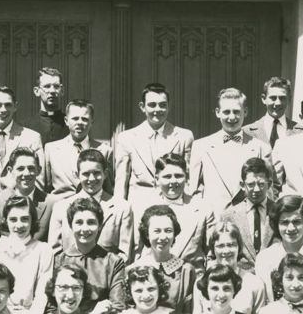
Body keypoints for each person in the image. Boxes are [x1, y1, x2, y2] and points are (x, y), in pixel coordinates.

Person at [114, 83, 194, 216]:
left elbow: (189, 178)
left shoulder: (184, 136)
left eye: (162, 105)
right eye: (152, 105)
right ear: (142, 107)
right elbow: (121, 180)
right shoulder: (127, 138)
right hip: (138, 210)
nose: (157, 109)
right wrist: (119, 210)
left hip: (174, 209)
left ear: (169, 106)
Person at [187, 87, 273, 210]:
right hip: (213, 220)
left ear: (245, 112)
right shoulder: (201, 146)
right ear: (218, 112)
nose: (232, 117)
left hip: (248, 219)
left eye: (237, 111)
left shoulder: (261, 148)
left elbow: (268, 193)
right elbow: (194, 190)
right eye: (226, 112)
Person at [47, 149, 134, 260]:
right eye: (86, 174)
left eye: (97, 173)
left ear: (105, 174)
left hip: (107, 274)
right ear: (77, 175)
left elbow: (124, 254)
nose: (91, 179)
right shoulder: (61, 207)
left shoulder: (122, 208)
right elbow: (54, 253)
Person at [52, 196, 127, 314]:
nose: (85, 229)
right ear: (71, 226)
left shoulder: (113, 262)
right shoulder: (59, 261)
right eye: (79, 222)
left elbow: (118, 306)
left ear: (100, 226)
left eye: (91, 222)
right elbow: (51, 306)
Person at [138, 153, 213, 270]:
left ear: (187, 178)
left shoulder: (203, 208)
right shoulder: (144, 206)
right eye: (167, 177)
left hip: (192, 280)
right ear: (157, 179)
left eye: (178, 176)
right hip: (153, 278)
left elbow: (211, 253)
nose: (173, 181)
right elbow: (138, 250)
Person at [0, 195, 55, 314]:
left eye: (24, 219)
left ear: (32, 221)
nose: (19, 225)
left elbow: (42, 294)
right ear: (6, 221)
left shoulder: (43, 250)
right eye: (13, 220)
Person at [134, 205, 198, 314]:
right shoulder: (133, 270)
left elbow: (188, 313)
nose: (163, 237)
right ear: (147, 234)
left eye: (168, 231)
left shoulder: (186, 271)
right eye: (157, 231)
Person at [41, 99, 113, 197]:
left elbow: (109, 189)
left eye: (85, 119)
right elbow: (46, 188)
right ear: (66, 121)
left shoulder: (105, 151)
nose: (80, 122)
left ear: (92, 122)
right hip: (61, 208)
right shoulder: (51, 149)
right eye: (75, 118)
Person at [195, 220, 268, 314]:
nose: (226, 250)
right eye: (220, 246)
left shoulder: (254, 284)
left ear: (239, 247)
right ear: (213, 249)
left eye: (231, 245)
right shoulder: (201, 283)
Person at [218, 158, 277, 269]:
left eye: (261, 184)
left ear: (269, 184)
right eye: (250, 184)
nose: (256, 189)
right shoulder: (228, 216)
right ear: (242, 185)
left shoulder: (278, 211)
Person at [0, 148, 51, 241]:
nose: (26, 173)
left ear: (39, 170)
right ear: (10, 170)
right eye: (20, 168)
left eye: (31, 168)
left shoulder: (52, 203)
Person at [18, 67, 70, 144]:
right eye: (47, 86)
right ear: (36, 91)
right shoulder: (25, 127)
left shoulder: (70, 124)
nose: (52, 91)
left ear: (62, 91)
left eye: (56, 86)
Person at [243, 76, 298, 148]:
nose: (278, 103)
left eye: (282, 98)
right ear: (263, 99)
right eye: (273, 98)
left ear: (289, 99)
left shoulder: (300, 131)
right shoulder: (246, 131)